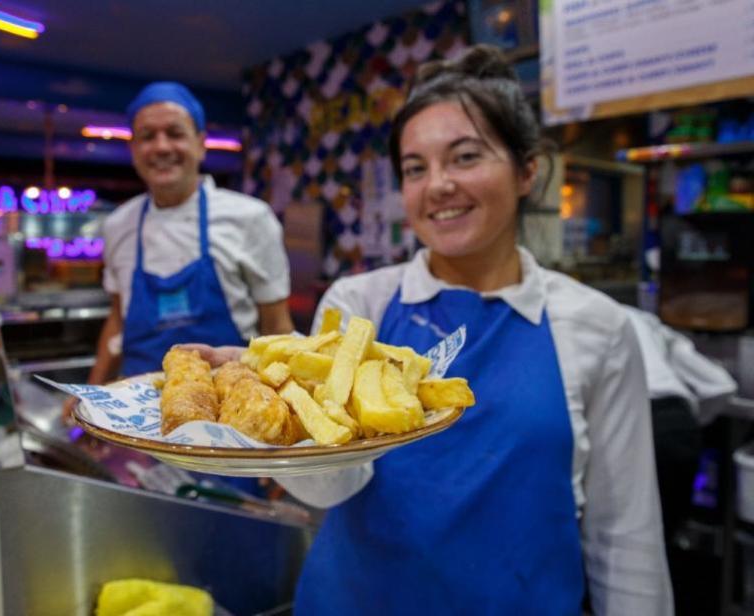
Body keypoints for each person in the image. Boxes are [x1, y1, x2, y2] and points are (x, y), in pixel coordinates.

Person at [197, 45, 673, 614]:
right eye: (415, 168)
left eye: (465, 157)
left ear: (528, 171)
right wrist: (269, 415)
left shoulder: (597, 326)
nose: (438, 185)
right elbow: (333, 489)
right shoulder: (358, 302)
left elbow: (625, 532)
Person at [76, 81, 293, 402]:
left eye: (175, 133)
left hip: (229, 408)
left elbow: (277, 326)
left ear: (201, 144)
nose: (161, 147)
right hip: (137, 411)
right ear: (134, 149)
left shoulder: (250, 219)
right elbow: (118, 320)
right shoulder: (119, 224)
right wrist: (92, 393)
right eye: (147, 136)